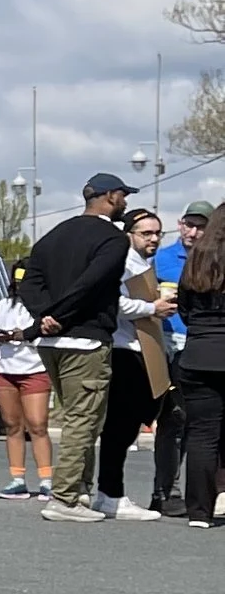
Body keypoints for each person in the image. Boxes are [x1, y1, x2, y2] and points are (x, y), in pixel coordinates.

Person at [20, 172, 132, 523]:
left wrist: (44, 317)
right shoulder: (113, 239)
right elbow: (91, 282)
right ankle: (65, 498)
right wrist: (60, 315)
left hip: (51, 341)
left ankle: (81, 491)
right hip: (85, 338)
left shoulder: (54, 234)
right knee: (83, 421)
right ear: (110, 196)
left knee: (79, 417)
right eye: (123, 196)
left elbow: (25, 277)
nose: (125, 202)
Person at [91, 207, 170, 519]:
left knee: (130, 424)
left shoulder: (144, 263)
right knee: (119, 426)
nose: (153, 239)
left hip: (142, 347)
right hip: (123, 348)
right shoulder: (122, 261)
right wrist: (152, 306)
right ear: (129, 234)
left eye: (156, 233)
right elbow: (114, 302)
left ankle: (107, 492)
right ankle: (111, 493)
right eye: (145, 233)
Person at [149, 198, 210, 513]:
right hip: (169, 342)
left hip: (204, 345)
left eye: (201, 226)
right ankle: (165, 491)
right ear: (181, 224)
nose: (194, 232)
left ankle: (199, 493)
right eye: (190, 224)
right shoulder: (161, 259)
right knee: (174, 418)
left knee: (199, 424)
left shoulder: (215, 261)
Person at [170, 204, 225, 531]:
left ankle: (199, 511)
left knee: (202, 435)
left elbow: (185, 309)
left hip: (199, 353)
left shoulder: (196, 261)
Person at [0, 286, 53, 495]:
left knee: (37, 424)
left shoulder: (43, 305)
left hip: (35, 370)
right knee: (12, 425)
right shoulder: (2, 306)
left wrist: (21, 336)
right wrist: (0, 338)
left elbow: (46, 336)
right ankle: (17, 479)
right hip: (5, 371)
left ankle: (47, 480)